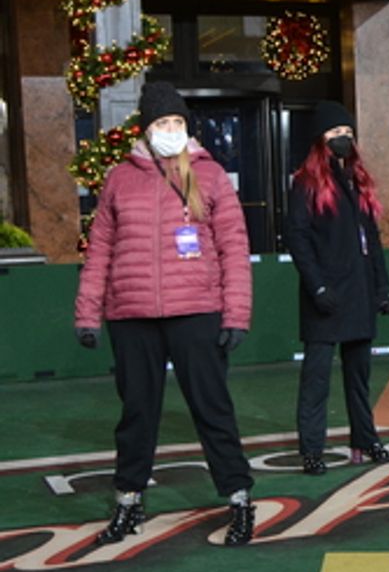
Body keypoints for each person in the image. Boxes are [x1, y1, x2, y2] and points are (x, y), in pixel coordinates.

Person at [74, 80, 257, 546]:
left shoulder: (210, 176)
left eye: (177, 121)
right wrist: (87, 313)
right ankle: (128, 504)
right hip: (132, 315)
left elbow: (234, 249)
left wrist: (235, 315)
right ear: (146, 128)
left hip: (197, 311)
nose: (171, 129)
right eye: (162, 122)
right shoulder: (119, 178)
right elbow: (100, 251)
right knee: (137, 415)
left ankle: (239, 500)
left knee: (213, 409)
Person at [283, 101, 389, 475]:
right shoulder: (306, 184)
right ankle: (311, 450)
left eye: (347, 133)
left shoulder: (357, 181)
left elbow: (372, 241)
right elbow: (298, 238)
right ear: (320, 140)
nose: (343, 139)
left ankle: (365, 439)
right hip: (326, 296)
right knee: (316, 379)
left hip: (359, 293)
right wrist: (316, 287)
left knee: (358, 377)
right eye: (335, 133)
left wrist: (383, 288)